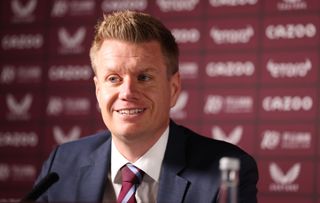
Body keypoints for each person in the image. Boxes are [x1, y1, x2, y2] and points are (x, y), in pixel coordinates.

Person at [34, 10, 258, 203]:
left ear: (173, 88)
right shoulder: (63, 163)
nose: (128, 93)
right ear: (98, 90)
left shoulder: (225, 173)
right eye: (113, 79)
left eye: (144, 77)